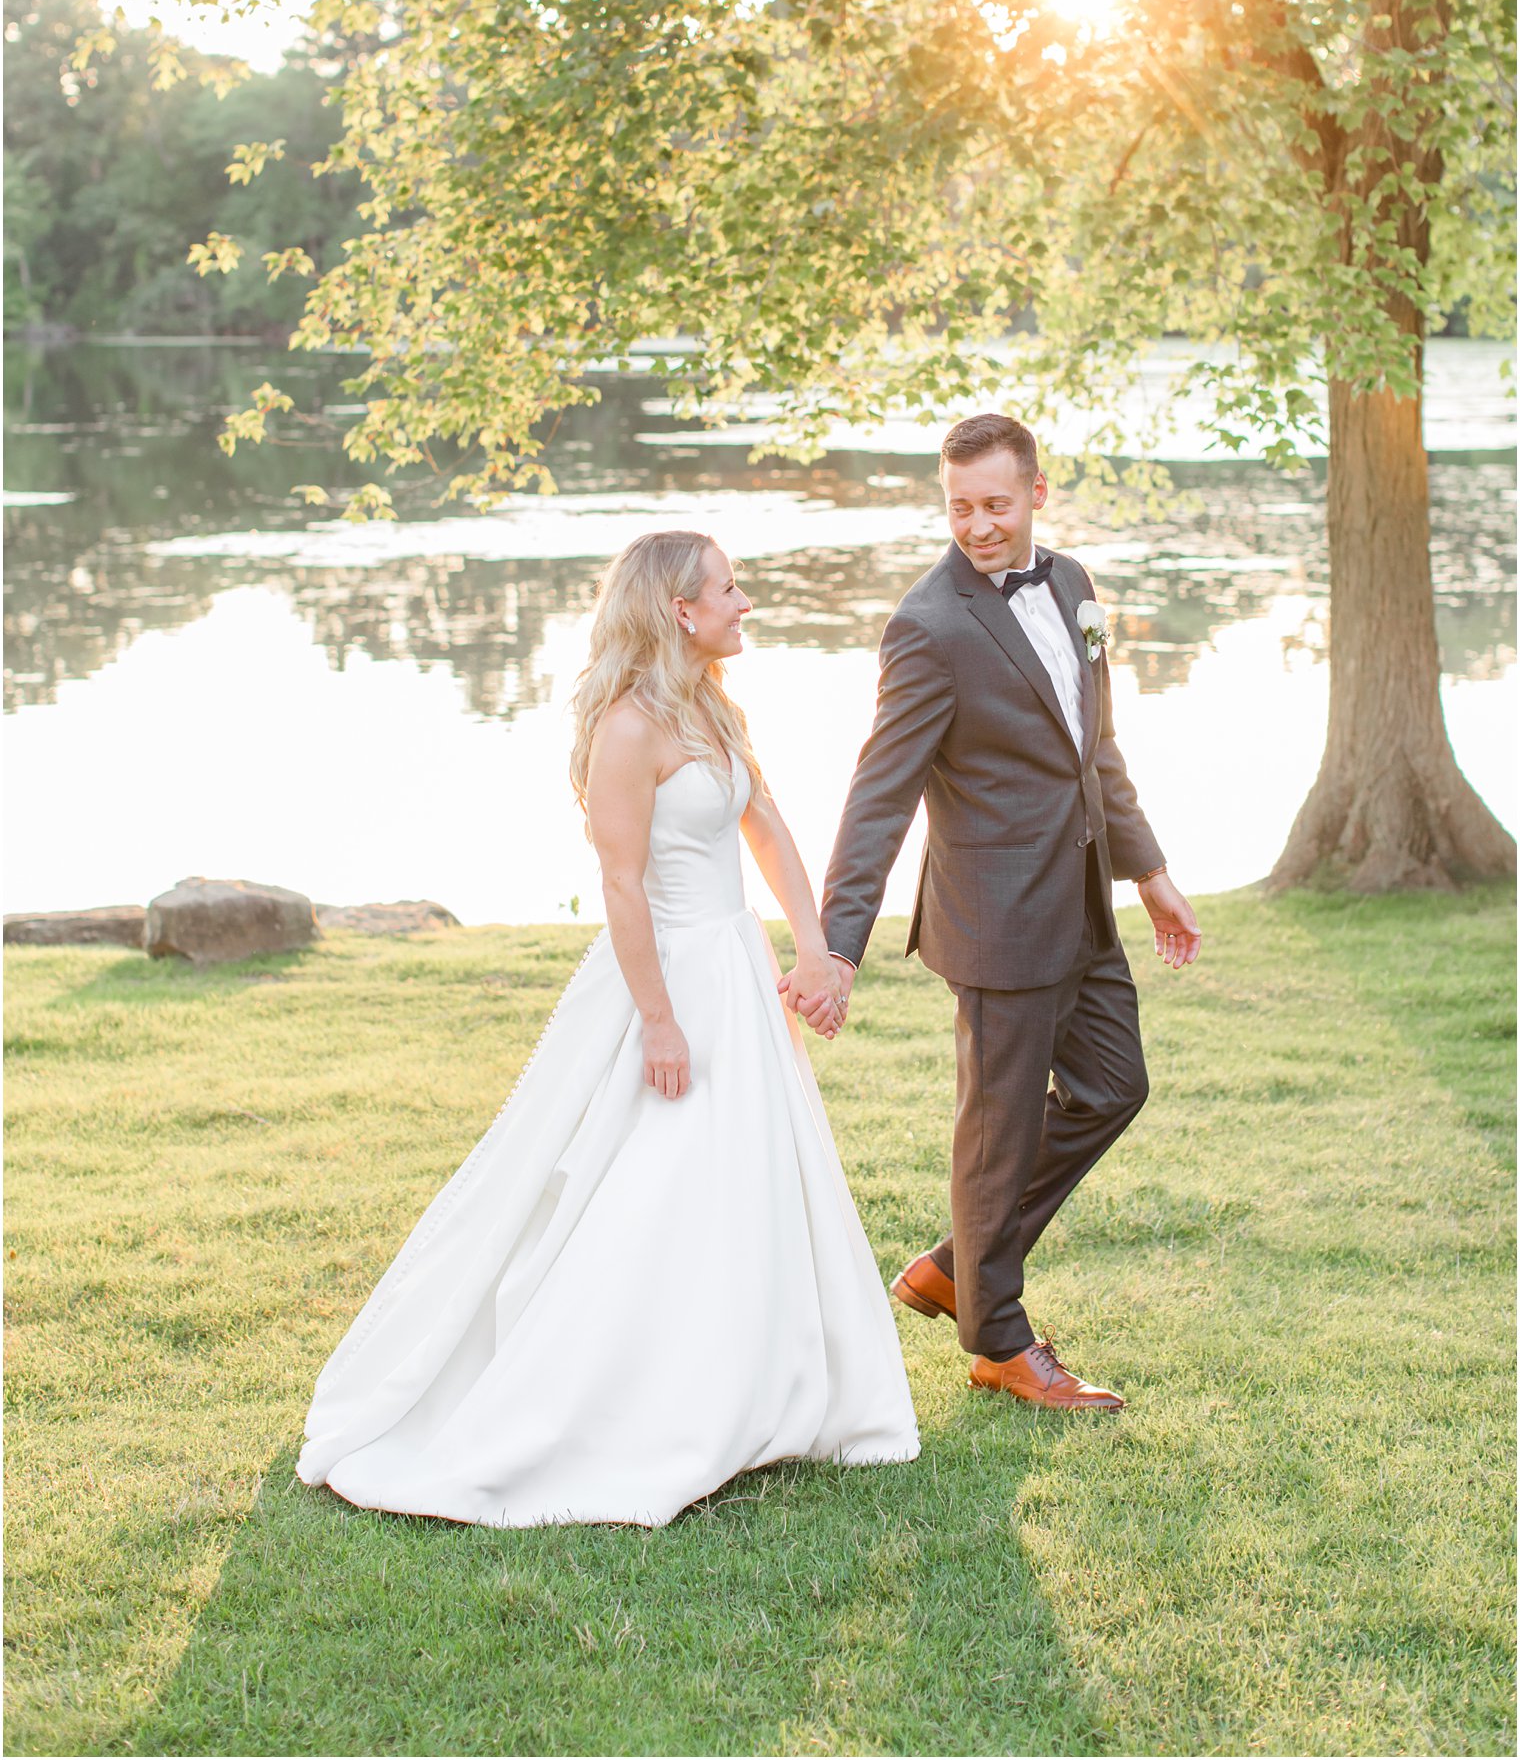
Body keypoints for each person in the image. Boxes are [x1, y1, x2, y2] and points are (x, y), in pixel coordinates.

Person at [297, 530, 918, 1527]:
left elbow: (767, 828)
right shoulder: (629, 730)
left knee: (747, 1178)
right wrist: (659, 1022)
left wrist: (810, 950)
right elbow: (620, 887)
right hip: (666, 980)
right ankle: (637, 1406)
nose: (743, 601)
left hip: (735, 968)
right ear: (680, 609)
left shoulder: (713, 707)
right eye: (728, 587)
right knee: (649, 1188)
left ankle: (762, 1387)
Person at [791, 412, 1201, 1413]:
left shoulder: (1070, 585)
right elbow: (878, 793)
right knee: (998, 1137)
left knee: (1112, 1087)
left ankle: (950, 1265)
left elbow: (1091, 749)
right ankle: (997, 1340)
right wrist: (835, 945)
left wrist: (1146, 874)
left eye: (995, 505)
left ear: (1035, 495)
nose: (977, 526)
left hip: (1083, 901)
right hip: (996, 920)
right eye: (958, 507)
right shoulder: (925, 626)